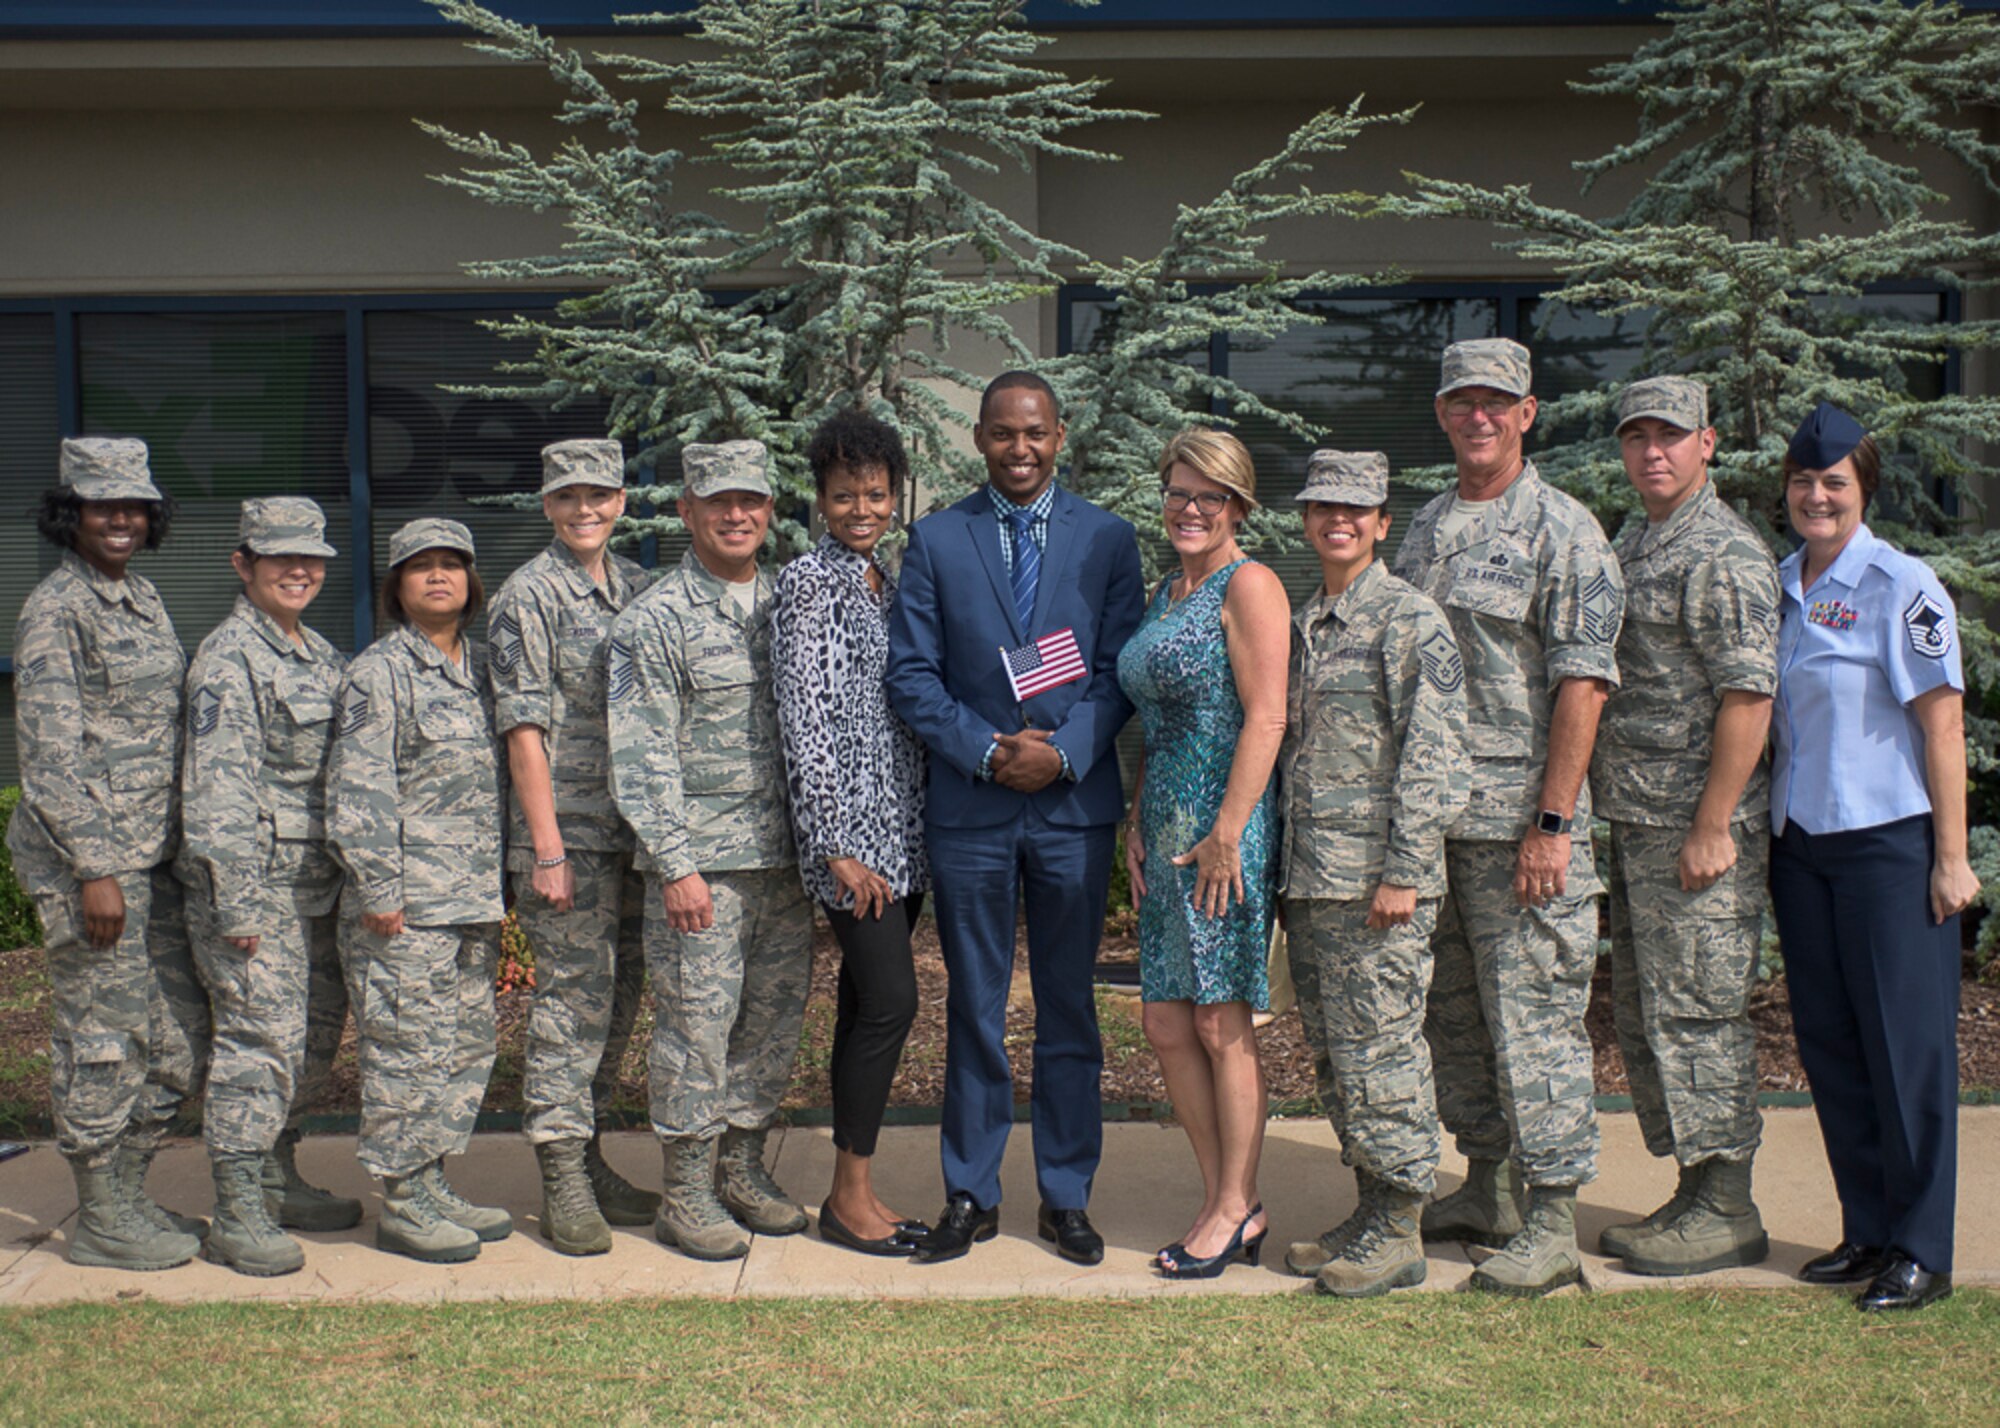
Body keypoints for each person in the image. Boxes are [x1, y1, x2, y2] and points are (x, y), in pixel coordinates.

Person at [885, 370, 1145, 1267]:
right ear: (980, 440)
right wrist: (992, 751)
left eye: (1034, 432)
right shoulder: (936, 539)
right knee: (976, 1006)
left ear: (1060, 434)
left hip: (1072, 810)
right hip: (973, 807)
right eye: (1003, 434)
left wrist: (1063, 752)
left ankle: (1066, 1196)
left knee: (1070, 1006)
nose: (1020, 449)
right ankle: (970, 1191)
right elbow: (911, 675)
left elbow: (1119, 671)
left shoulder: (1108, 539)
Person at [1390, 338, 1624, 1297]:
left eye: (1498, 402)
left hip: (1522, 831)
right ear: (1444, 413)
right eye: (1462, 402)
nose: (1478, 416)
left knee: (1536, 1026)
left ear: (1528, 413)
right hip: (1436, 827)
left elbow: (1584, 682)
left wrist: (1553, 825)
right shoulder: (1425, 530)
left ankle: (1556, 1216)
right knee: (1458, 1025)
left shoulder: (1564, 531)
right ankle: (1488, 1187)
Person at [1768, 403, 1978, 1312]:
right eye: (1805, 482)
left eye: (1836, 483)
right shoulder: (1779, 582)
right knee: (1835, 1046)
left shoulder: (1904, 585)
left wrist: (1952, 858)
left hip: (1891, 849)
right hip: (1803, 847)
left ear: (1864, 490)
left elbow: (1944, 727)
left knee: (1910, 1053)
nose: (1818, 496)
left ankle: (1923, 1248)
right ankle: (1868, 1231)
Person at [608, 439, 814, 1262]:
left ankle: (740, 1168)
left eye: (751, 502)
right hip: (705, 869)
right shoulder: (655, 622)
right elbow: (641, 750)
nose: (737, 515)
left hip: (785, 864)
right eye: (718, 502)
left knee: (769, 1022)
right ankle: (686, 1191)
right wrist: (674, 863)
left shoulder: (791, 606)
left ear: (769, 511)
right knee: (696, 1027)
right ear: (688, 511)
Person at [1592, 377, 1780, 1277]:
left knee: (1701, 1011)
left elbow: (1749, 694)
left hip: (1694, 836)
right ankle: (1696, 1190)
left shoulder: (1723, 553)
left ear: (1708, 444)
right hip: (1640, 825)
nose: (1652, 451)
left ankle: (1726, 1205)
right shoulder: (1642, 538)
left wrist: (1712, 824)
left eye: (1670, 436)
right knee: (1653, 1012)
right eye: (1637, 437)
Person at [9, 437, 209, 1271]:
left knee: (176, 1038)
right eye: (103, 506)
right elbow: (50, 758)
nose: (121, 519)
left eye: (134, 506)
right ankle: (98, 1216)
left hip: (150, 858)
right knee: (102, 1039)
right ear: (72, 514)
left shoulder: (143, 598)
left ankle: (125, 1194)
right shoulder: (56, 610)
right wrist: (94, 867)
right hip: (94, 868)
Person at [1275, 450, 1470, 1298]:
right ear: (1308, 520)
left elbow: (1434, 757)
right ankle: (1369, 1207)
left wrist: (1405, 872)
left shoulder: (1409, 621)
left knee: (1385, 1053)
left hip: (1377, 886)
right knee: (1338, 1057)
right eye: (1323, 508)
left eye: (1355, 510)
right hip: (1314, 879)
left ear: (1383, 523)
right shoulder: (1306, 618)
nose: (1338, 522)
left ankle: (1400, 1227)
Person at [1115, 428, 1288, 1279]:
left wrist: (1227, 832)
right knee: (1164, 1019)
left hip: (1227, 827)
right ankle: (1224, 1193)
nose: (1188, 508)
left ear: (1238, 506)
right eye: (1177, 492)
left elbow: (1267, 716)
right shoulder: (1164, 592)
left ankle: (1234, 1206)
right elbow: (1154, 720)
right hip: (1168, 825)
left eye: (1207, 496)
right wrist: (1137, 815)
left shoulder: (1248, 585)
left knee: (1221, 1020)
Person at [486, 438, 660, 1257]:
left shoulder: (635, 587)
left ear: (621, 500)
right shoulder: (529, 596)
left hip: (633, 833)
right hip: (571, 838)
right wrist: (546, 847)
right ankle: (559, 1181)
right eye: (567, 497)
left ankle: (588, 1159)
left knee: (616, 1003)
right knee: (570, 1006)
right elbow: (522, 730)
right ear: (547, 506)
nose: (584, 509)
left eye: (598, 495)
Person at [178, 498, 357, 1276]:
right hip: (258, 893)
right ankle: (238, 1207)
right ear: (241, 564)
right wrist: (237, 900)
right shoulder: (230, 659)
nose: (298, 570)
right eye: (279, 557)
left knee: (310, 1042)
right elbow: (216, 792)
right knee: (260, 1042)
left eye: (311, 557)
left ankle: (278, 1176)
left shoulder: (316, 652)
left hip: (317, 887)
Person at [328, 518, 510, 1264]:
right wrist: (379, 887)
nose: (438, 578)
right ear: (397, 587)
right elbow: (358, 787)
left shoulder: (483, 667)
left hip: (470, 900)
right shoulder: (379, 673)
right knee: (405, 1051)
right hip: (405, 908)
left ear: (470, 582)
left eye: (451, 566)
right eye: (420, 568)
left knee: (460, 1046)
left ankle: (432, 1181)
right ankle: (401, 1200)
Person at [772, 411, 932, 1257]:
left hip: (903, 833)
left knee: (869, 1005)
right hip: (853, 841)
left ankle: (851, 1190)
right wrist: (835, 841)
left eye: (875, 492)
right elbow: (806, 717)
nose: (861, 507)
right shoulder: (809, 583)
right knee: (892, 1004)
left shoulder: (892, 581)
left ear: (895, 495)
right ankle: (849, 1199)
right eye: (844, 494)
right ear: (821, 499)